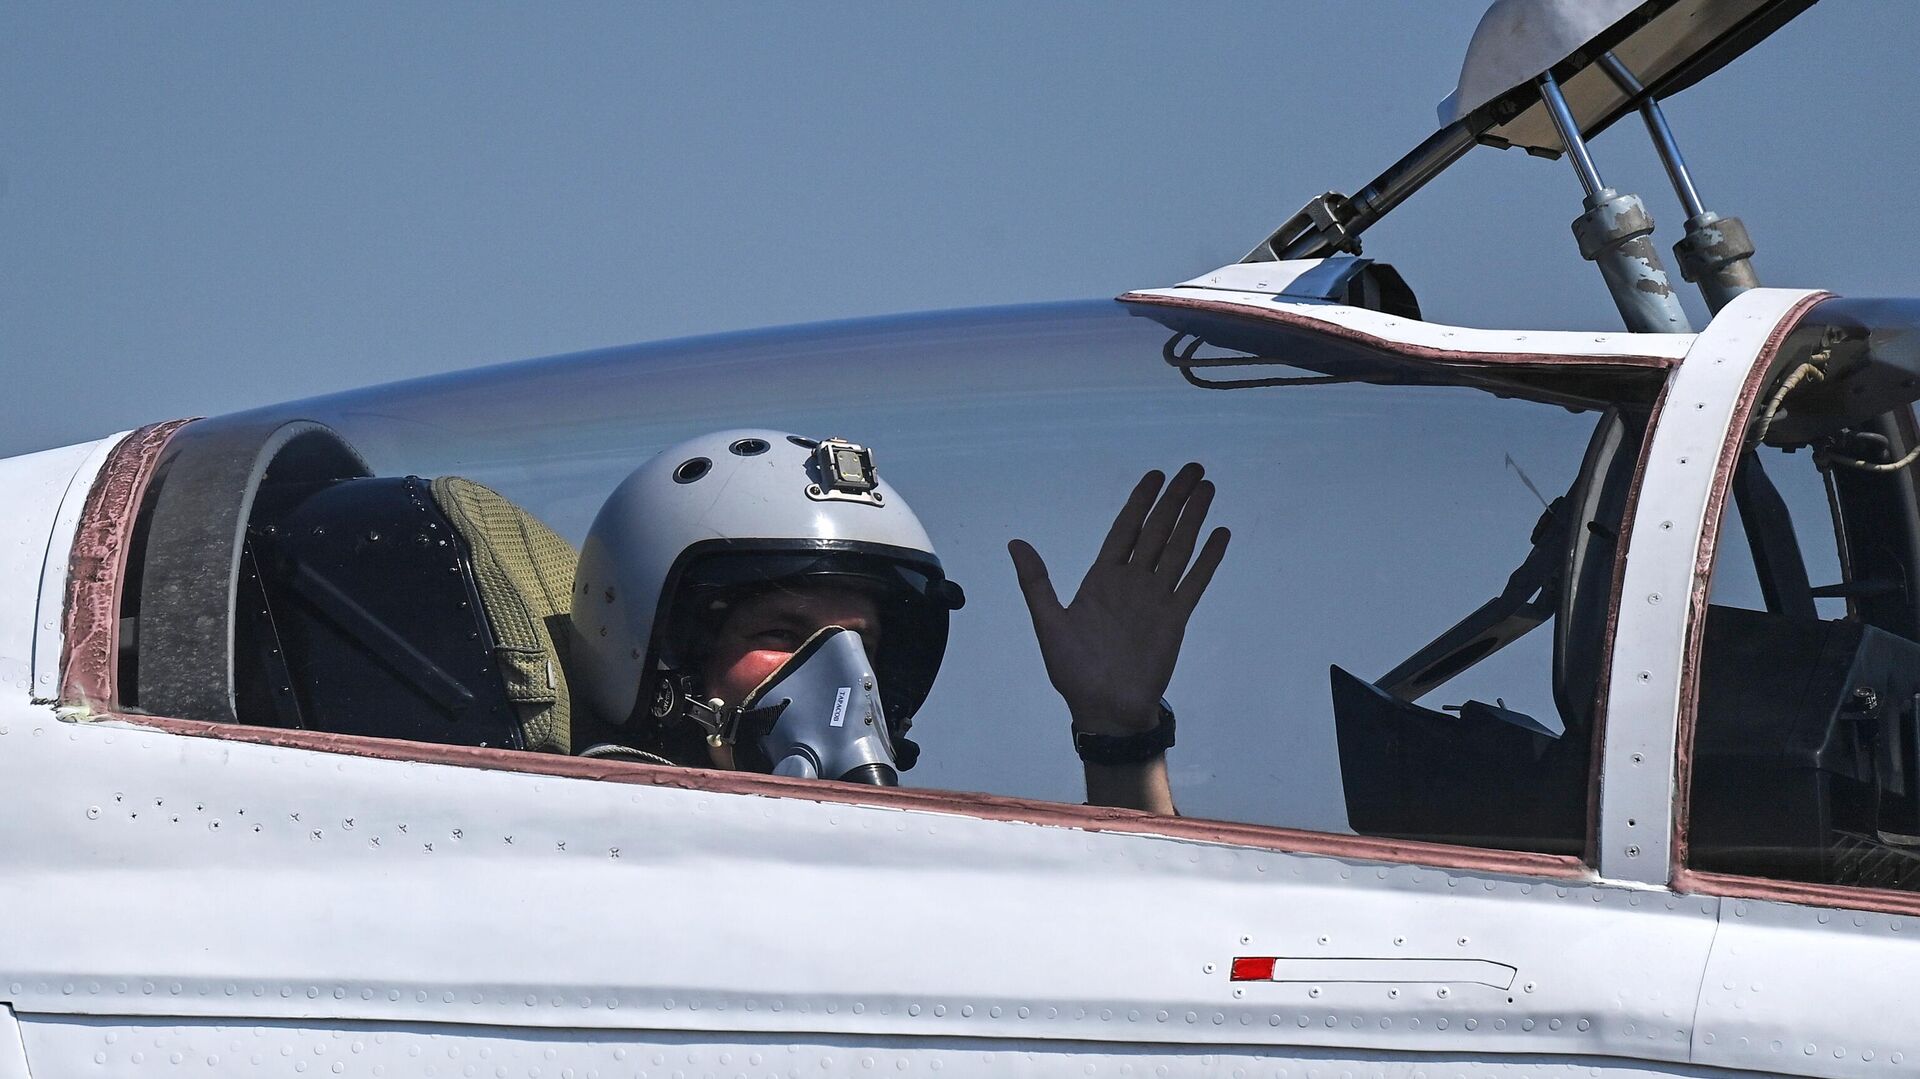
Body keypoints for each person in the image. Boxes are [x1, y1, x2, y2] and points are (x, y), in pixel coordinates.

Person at [568, 429, 1228, 812]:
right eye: (779, 635)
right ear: (658, 659)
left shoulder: (915, 879)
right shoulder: (569, 864)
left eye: (866, 645)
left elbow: (1139, 955)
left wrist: (1119, 733)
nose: (846, 681)